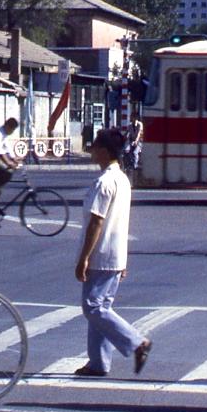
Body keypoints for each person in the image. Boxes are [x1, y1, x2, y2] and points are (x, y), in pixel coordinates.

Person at [72, 128, 152, 378]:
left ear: (105, 152)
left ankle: (136, 342)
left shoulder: (104, 182)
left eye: (95, 146)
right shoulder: (122, 179)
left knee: (93, 308)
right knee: (101, 308)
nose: (92, 150)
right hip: (115, 253)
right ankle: (98, 362)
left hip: (102, 254)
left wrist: (84, 257)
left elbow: (97, 222)